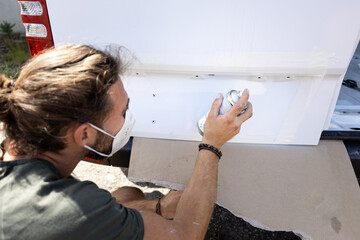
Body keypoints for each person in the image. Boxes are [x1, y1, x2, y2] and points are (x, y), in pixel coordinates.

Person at [0, 44, 252, 240]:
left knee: (126, 194)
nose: (127, 120)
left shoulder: (17, 164)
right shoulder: (66, 210)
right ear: (85, 134)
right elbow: (186, 233)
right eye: (123, 112)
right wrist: (212, 143)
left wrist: (159, 206)